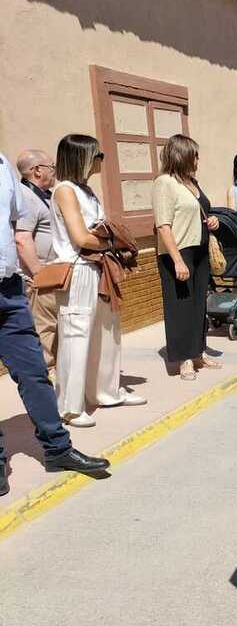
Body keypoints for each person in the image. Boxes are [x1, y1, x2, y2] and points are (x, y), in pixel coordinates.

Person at [0, 150, 111, 496]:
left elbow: (19, 227)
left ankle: (58, 450)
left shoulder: (3, 164)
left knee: (34, 371)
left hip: (9, 289)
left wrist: (34, 275)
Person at [50, 134, 146, 428]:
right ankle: (69, 406)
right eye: (97, 155)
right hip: (79, 268)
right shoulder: (65, 190)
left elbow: (99, 232)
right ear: (81, 157)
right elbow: (81, 237)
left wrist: (107, 240)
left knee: (107, 331)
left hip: (99, 267)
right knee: (76, 335)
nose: (101, 159)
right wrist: (112, 241)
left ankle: (106, 392)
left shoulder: (86, 191)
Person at [152, 134, 221, 381]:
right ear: (181, 155)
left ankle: (198, 352)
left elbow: (199, 212)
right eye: (194, 155)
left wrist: (211, 220)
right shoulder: (165, 183)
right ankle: (184, 360)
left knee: (198, 305)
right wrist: (177, 260)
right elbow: (163, 225)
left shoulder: (192, 183)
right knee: (180, 306)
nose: (198, 160)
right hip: (178, 252)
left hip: (200, 249)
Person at [15, 150, 59, 370]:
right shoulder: (26, 197)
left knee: (55, 329)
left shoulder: (42, 195)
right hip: (40, 278)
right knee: (45, 330)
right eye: (52, 166)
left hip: (52, 274)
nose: (55, 172)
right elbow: (22, 239)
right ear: (37, 170)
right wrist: (39, 273)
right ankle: (48, 379)